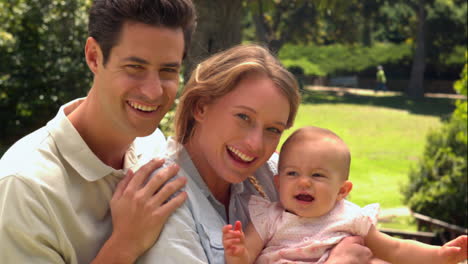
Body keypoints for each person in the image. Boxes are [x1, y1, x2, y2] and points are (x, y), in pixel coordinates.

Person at [138, 44, 377, 264]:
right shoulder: (164, 197)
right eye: (243, 117)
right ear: (201, 107)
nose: (255, 144)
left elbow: (354, 237)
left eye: (273, 129)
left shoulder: (277, 174)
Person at [0, 0, 196, 263]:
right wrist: (125, 244)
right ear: (93, 56)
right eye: (135, 67)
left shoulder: (153, 144)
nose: (153, 91)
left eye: (168, 70)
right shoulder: (23, 187)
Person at [222, 126, 468, 264]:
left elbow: (394, 249)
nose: (304, 182)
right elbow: (247, 258)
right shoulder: (268, 218)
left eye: (317, 176)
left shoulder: (350, 218)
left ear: (342, 191)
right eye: (293, 173)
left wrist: (438, 255)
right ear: (278, 182)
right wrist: (238, 253)